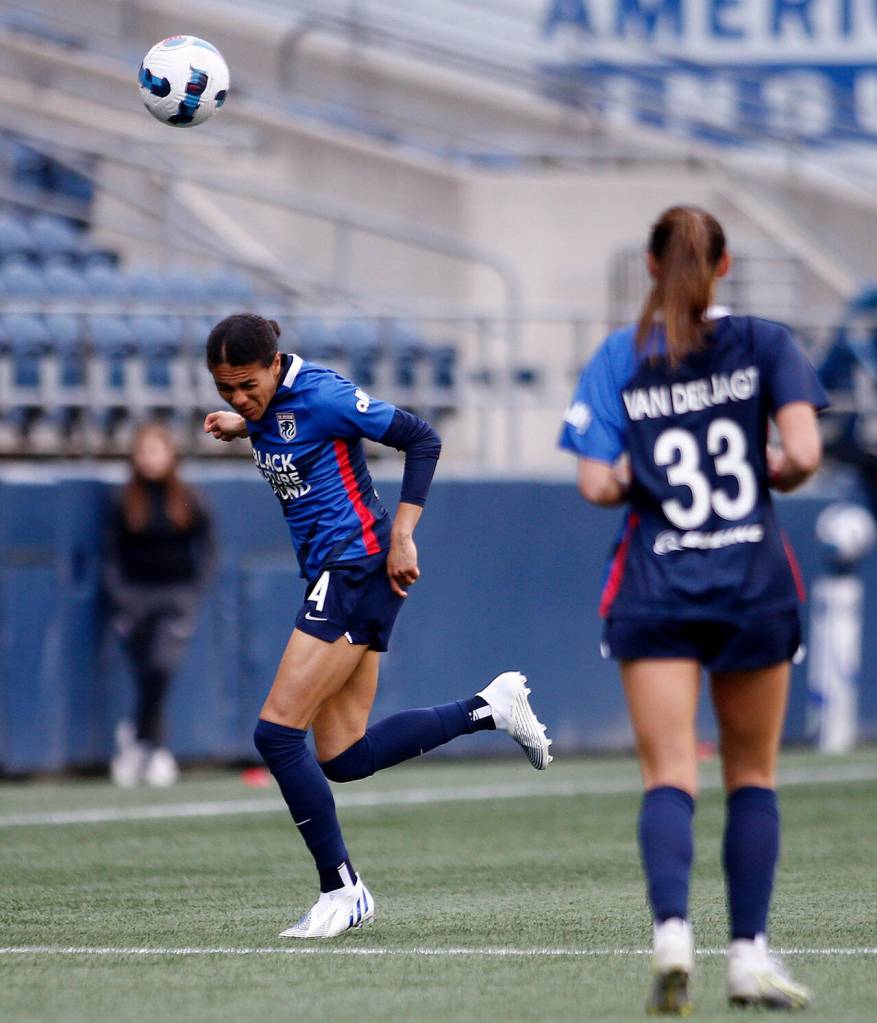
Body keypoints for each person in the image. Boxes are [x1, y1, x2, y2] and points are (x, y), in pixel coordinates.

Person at [203, 313, 552, 939]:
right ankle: (490, 707)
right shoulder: (267, 407)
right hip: (335, 574)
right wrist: (245, 422)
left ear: (275, 364)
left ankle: (342, 888)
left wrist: (404, 536)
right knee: (343, 756)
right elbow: (280, 424)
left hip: (357, 567)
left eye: (246, 385)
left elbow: (422, 438)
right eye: (225, 389)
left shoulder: (327, 395)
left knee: (277, 734)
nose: (237, 397)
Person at [559, 207, 826, 1013]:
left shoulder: (619, 354)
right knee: (752, 776)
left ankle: (672, 934)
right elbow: (804, 454)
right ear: (724, 265)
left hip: (657, 583)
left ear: (647, 266)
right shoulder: (766, 342)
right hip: (750, 580)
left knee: (669, 774)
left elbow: (596, 483)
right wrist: (767, 471)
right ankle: (746, 956)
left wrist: (644, 481)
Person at [104, 422, 214, 786]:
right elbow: (111, 555)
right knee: (144, 675)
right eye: (144, 451)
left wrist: (193, 593)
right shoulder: (124, 500)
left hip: (175, 597)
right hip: (136, 598)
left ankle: (145, 742)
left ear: (170, 455)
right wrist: (121, 600)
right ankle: (149, 745)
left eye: (157, 450)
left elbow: (209, 548)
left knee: (160, 669)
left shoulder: (189, 497)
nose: (151, 459)